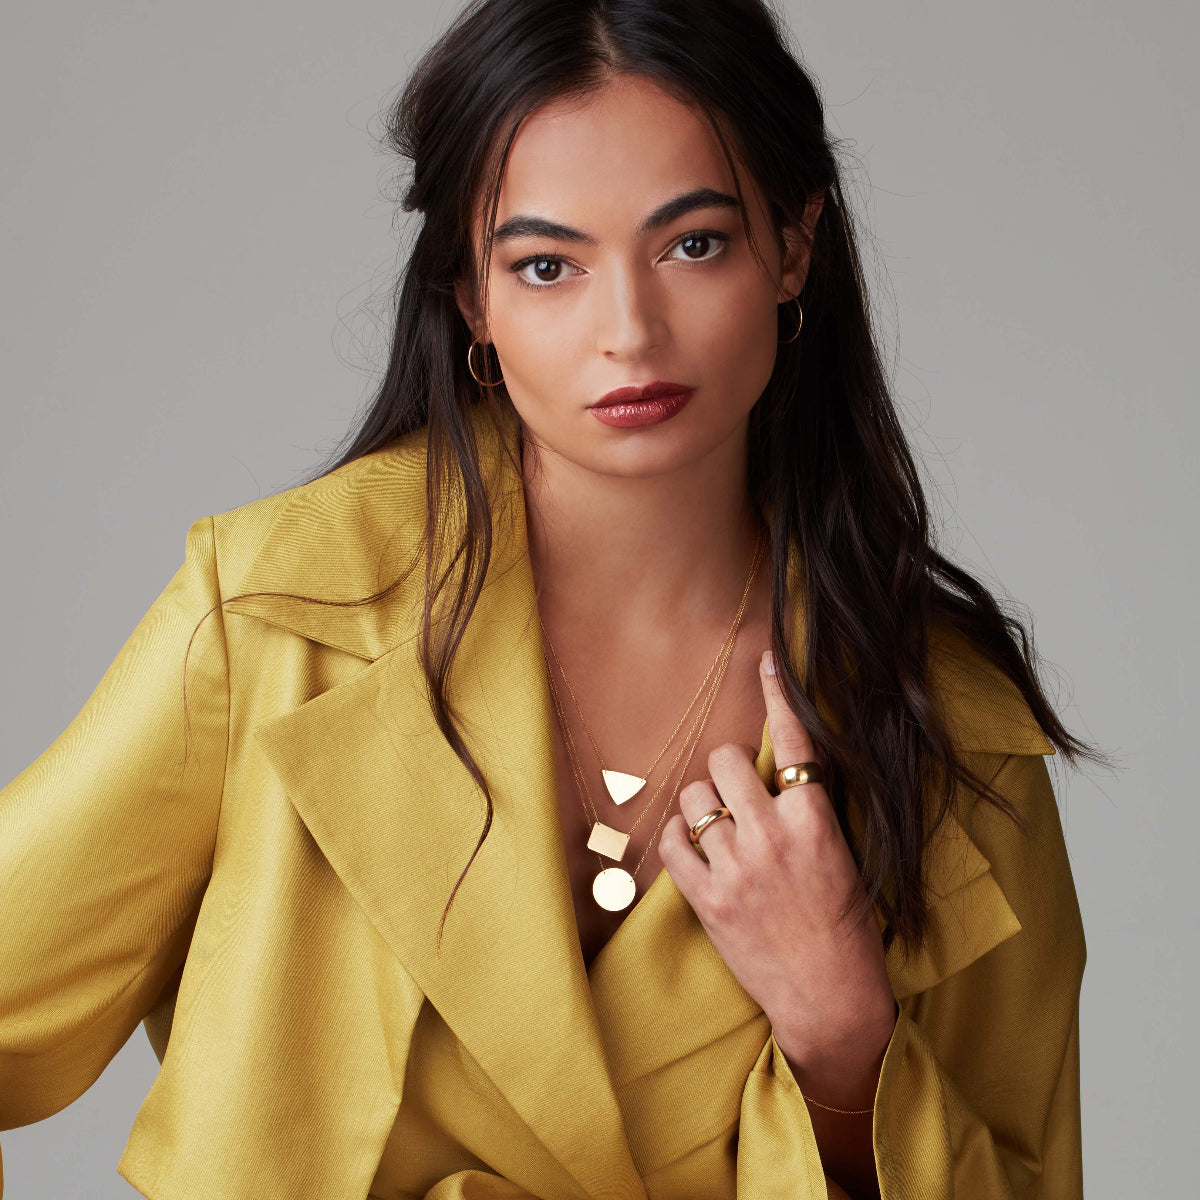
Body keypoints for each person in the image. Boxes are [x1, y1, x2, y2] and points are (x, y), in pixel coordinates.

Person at [0, 1, 1105, 1197]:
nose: (629, 331)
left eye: (694, 245)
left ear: (794, 248)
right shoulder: (282, 611)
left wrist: (846, 1040)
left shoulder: (953, 735)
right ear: (473, 298)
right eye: (545, 267)